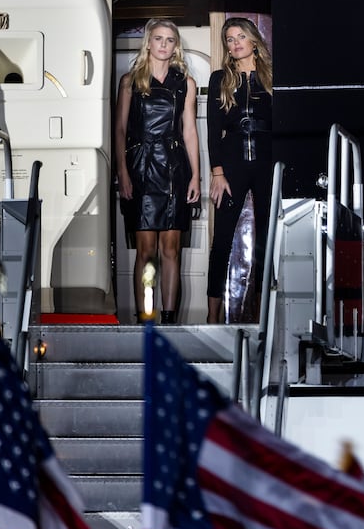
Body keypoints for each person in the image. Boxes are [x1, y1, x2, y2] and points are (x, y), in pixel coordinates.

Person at [115, 18, 201, 324]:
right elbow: (121, 129)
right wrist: (123, 173)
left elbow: (189, 131)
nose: (164, 44)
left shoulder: (185, 83)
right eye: (159, 39)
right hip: (140, 169)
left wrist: (196, 176)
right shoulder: (130, 81)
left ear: (175, 46)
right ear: (148, 42)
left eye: (170, 40)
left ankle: (168, 320)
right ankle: (145, 318)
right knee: (145, 250)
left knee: (170, 250)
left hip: (175, 170)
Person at [206, 17, 274, 324]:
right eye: (229, 39)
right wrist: (217, 172)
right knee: (221, 240)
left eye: (240, 37)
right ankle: (212, 316)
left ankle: (261, 313)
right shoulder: (220, 78)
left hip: (266, 162)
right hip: (232, 164)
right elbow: (212, 131)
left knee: (266, 239)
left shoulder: (272, 76)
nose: (235, 44)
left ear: (253, 40)